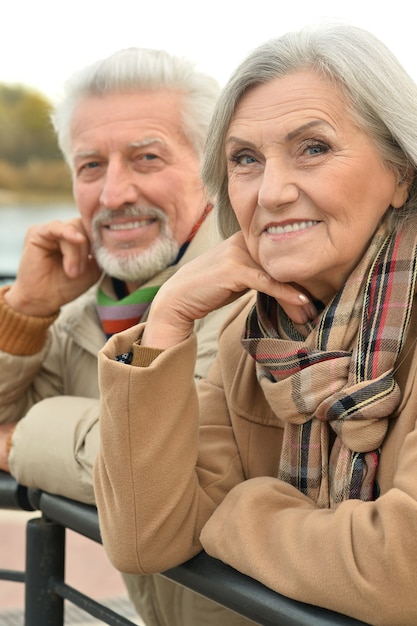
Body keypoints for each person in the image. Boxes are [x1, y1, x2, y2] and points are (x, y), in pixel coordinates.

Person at [94, 21, 417, 626]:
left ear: (400, 172)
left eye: (313, 148)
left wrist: (242, 511)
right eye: (245, 159)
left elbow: (403, 571)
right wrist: (166, 318)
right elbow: (145, 538)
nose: (271, 192)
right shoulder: (254, 334)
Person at [0, 47, 309, 626]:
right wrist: (25, 310)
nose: (114, 194)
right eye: (91, 166)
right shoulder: (88, 314)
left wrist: (21, 441)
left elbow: (177, 465)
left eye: (146, 158)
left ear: (214, 167)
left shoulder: (268, 292)